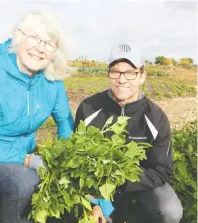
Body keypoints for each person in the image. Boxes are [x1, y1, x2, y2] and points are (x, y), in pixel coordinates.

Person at [0, 9, 73, 223]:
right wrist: (27, 160)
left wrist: (68, 160)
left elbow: (65, 122)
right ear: (18, 37)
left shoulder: (52, 81)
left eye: (48, 43)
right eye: (34, 38)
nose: (40, 48)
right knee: (23, 180)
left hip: (19, 158)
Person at [74, 43, 183, 223]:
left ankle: (132, 213)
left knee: (170, 210)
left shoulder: (155, 117)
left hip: (139, 186)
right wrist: (94, 202)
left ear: (142, 76)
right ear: (109, 74)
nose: (122, 79)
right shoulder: (88, 108)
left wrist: (120, 179)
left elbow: (161, 171)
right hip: (96, 188)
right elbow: (77, 160)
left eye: (130, 72)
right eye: (115, 71)